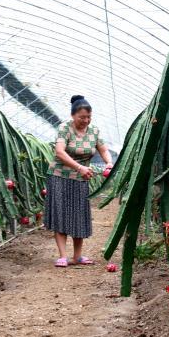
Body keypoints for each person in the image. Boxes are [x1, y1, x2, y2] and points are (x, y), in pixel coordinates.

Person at [44, 95, 113, 267]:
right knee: (61, 215)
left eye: (89, 117)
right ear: (73, 116)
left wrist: (109, 163)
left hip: (81, 179)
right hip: (60, 176)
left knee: (79, 216)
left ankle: (77, 256)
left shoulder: (94, 131)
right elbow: (59, 152)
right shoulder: (64, 129)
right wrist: (79, 167)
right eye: (82, 117)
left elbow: (103, 150)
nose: (86, 120)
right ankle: (62, 256)